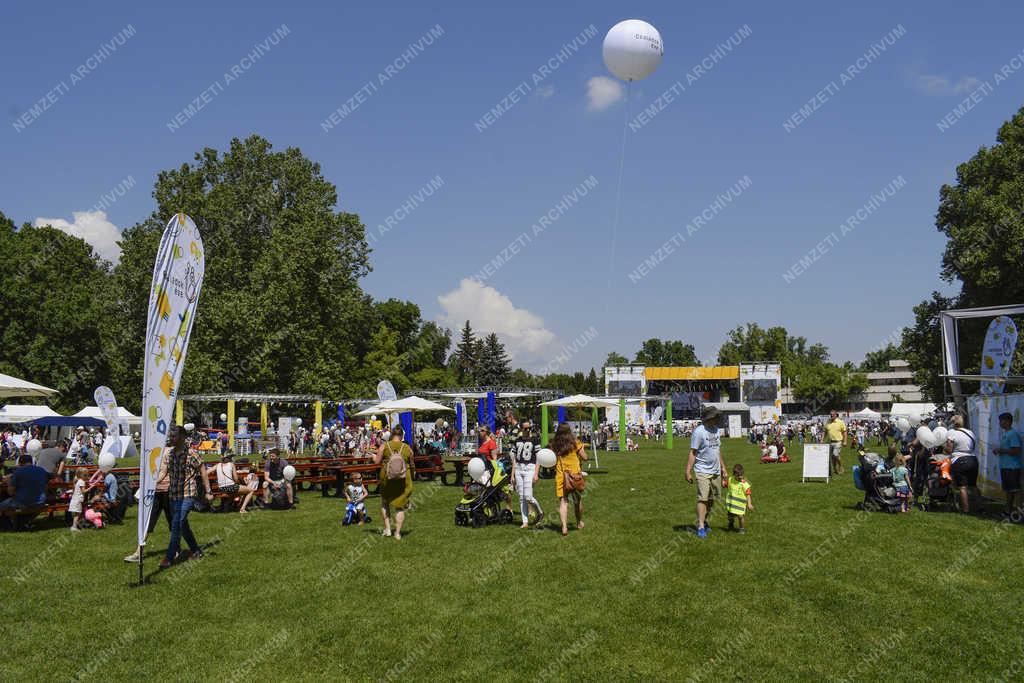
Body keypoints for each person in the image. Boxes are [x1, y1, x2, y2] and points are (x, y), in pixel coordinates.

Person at [161, 425, 213, 569]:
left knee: (177, 523)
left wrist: (209, 491)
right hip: (174, 495)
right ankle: (196, 550)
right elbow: (163, 472)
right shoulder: (169, 454)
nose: (171, 438)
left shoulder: (192, 454)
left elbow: (203, 471)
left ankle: (169, 556)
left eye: (174, 436)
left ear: (183, 437)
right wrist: (150, 483)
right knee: (182, 525)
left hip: (188, 494)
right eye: (171, 436)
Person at [124, 450, 173, 563]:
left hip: (167, 491)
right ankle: (138, 552)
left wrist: (149, 484)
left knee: (172, 523)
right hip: (155, 492)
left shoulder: (168, 451)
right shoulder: (152, 449)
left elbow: (163, 472)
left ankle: (176, 550)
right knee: (148, 523)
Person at [685, 406, 727, 539]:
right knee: (702, 498)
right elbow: (693, 452)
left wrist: (724, 468)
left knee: (712, 499)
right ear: (709, 417)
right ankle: (701, 526)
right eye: (715, 417)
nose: (717, 419)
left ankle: (705, 520)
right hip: (702, 470)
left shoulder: (716, 430)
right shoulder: (699, 432)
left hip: (715, 471)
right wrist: (688, 471)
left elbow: (717, 451)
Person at [374, 426, 414, 539]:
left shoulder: (384, 446)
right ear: (402, 435)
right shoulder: (407, 447)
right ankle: (397, 533)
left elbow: (377, 462)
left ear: (392, 434)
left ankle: (387, 529)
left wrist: (373, 457)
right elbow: (412, 463)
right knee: (400, 507)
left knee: (385, 502)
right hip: (403, 478)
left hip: (387, 478)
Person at [551, 423, 587, 536]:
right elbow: (585, 458)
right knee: (577, 501)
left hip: (561, 476)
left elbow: (551, 460)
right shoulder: (575, 442)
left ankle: (564, 527)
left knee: (563, 501)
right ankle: (579, 522)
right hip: (575, 476)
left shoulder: (554, 444)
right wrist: (582, 448)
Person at [511, 422, 543, 528]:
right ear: (521, 429)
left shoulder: (535, 440)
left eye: (530, 428)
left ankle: (540, 513)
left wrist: (536, 473)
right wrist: (512, 475)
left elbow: (539, 458)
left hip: (530, 468)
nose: (528, 430)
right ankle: (525, 522)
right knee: (521, 497)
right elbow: (515, 459)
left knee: (528, 496)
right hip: (519, 468)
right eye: (526, 429)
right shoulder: (517, 440)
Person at [944, 415, 978, 514]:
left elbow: (949, 449)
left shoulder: (952, 433)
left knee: (962, 487)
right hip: (972, 459)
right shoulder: (970, 432)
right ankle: (980, 507)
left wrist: (945, 448)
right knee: (973, 486)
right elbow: (973, 446)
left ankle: (966, 509)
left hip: (959, 460)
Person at [993, 412, 1022, 516]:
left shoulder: (1012, 434)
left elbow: (1016, 450)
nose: (1000, 423)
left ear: (1008, 421)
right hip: (1005, 466)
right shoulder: (1005, 434)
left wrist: (1001, 450)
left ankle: (1018, 512)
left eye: (1002, 420)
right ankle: (1008, 510)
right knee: (1009, 490)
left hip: (1012, 467)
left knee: (1015, 490)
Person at [725, 464, 753, 533]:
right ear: (734, 474)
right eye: (738, 476)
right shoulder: (730, 479)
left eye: (741, 475)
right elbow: (726, 485)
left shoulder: (744, 483)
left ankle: (742, 528)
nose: (740, 477)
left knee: (740, 517)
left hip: (740, 505)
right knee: (730, 516)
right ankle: (731, 524)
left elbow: (748, 495)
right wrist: (724, 483)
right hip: (731, 504)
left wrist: (749, 504)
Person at [825, 411, 847, 475]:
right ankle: (835, 468)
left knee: (835, 455)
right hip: (830, 442)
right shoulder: (828, 422)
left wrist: (845, 441)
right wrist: (822, 439)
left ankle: (840, 466)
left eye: (832, 415)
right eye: (830, 414)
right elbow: (825, 431)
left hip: (838, 442)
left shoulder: (840, 422)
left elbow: (844, 432)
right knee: (832, 457)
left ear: (836, 415)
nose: (831, 416)